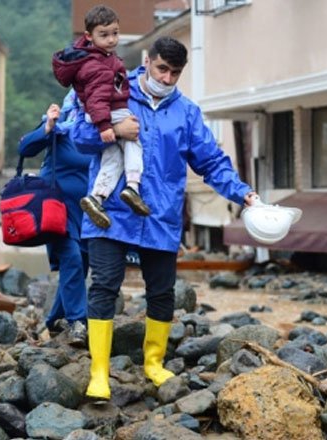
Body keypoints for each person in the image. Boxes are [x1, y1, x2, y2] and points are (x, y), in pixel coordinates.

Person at [68, 36, 259, 400]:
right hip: (110, 213)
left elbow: (211, 162)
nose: (168, 79)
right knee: (104, 286)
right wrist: (112, 130)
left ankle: (153, 363)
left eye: (175, 73)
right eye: (162, 69)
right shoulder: (115, 92)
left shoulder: (186, 113)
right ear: (147, 61)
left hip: (160, 215)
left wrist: (243, 193)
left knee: (162, 294)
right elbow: (78, 136)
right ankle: (99, 371)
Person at [52, 4, 150, 230]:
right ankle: (133, 186)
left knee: (113, 158)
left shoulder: (100, 58)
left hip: (105, 115)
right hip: (111, 114)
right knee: (134, 142)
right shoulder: (97, 65)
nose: (111, 40)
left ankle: (97, 197)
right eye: (104, 35)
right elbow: (96, 99)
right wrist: (106, 126)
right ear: (89, 36)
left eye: (115, 33)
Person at [17, 92, 91, 339]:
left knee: (81, 265)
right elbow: (25, 147)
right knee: (71, 258)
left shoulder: (99, 131)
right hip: (56, 211)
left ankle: (54, 319)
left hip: (87, 212)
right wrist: (48, 125)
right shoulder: (60, 126)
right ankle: (78, 322)